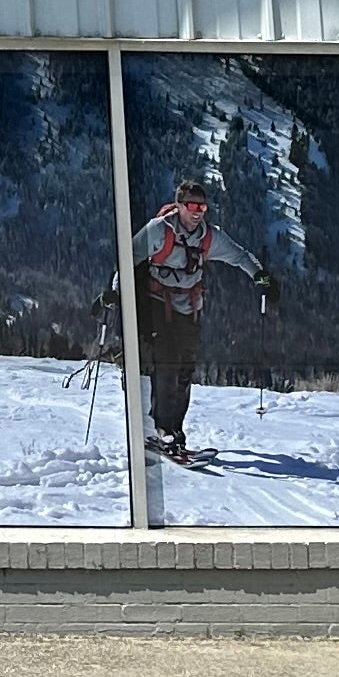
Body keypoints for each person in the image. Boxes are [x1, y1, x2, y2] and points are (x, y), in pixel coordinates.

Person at [131, 168, 276, 463]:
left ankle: (174, 431)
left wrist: (260, 276)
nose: (198, 212)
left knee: (185, 369)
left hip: (190, 308)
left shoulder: (210, 236)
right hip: (157, 303)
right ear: (179, 205)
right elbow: (128, 256)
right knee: (167, 364)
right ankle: (163, 430)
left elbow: (240, 256)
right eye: (192, 206)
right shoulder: (159, 230)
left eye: (203, 207)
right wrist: (114, 292)